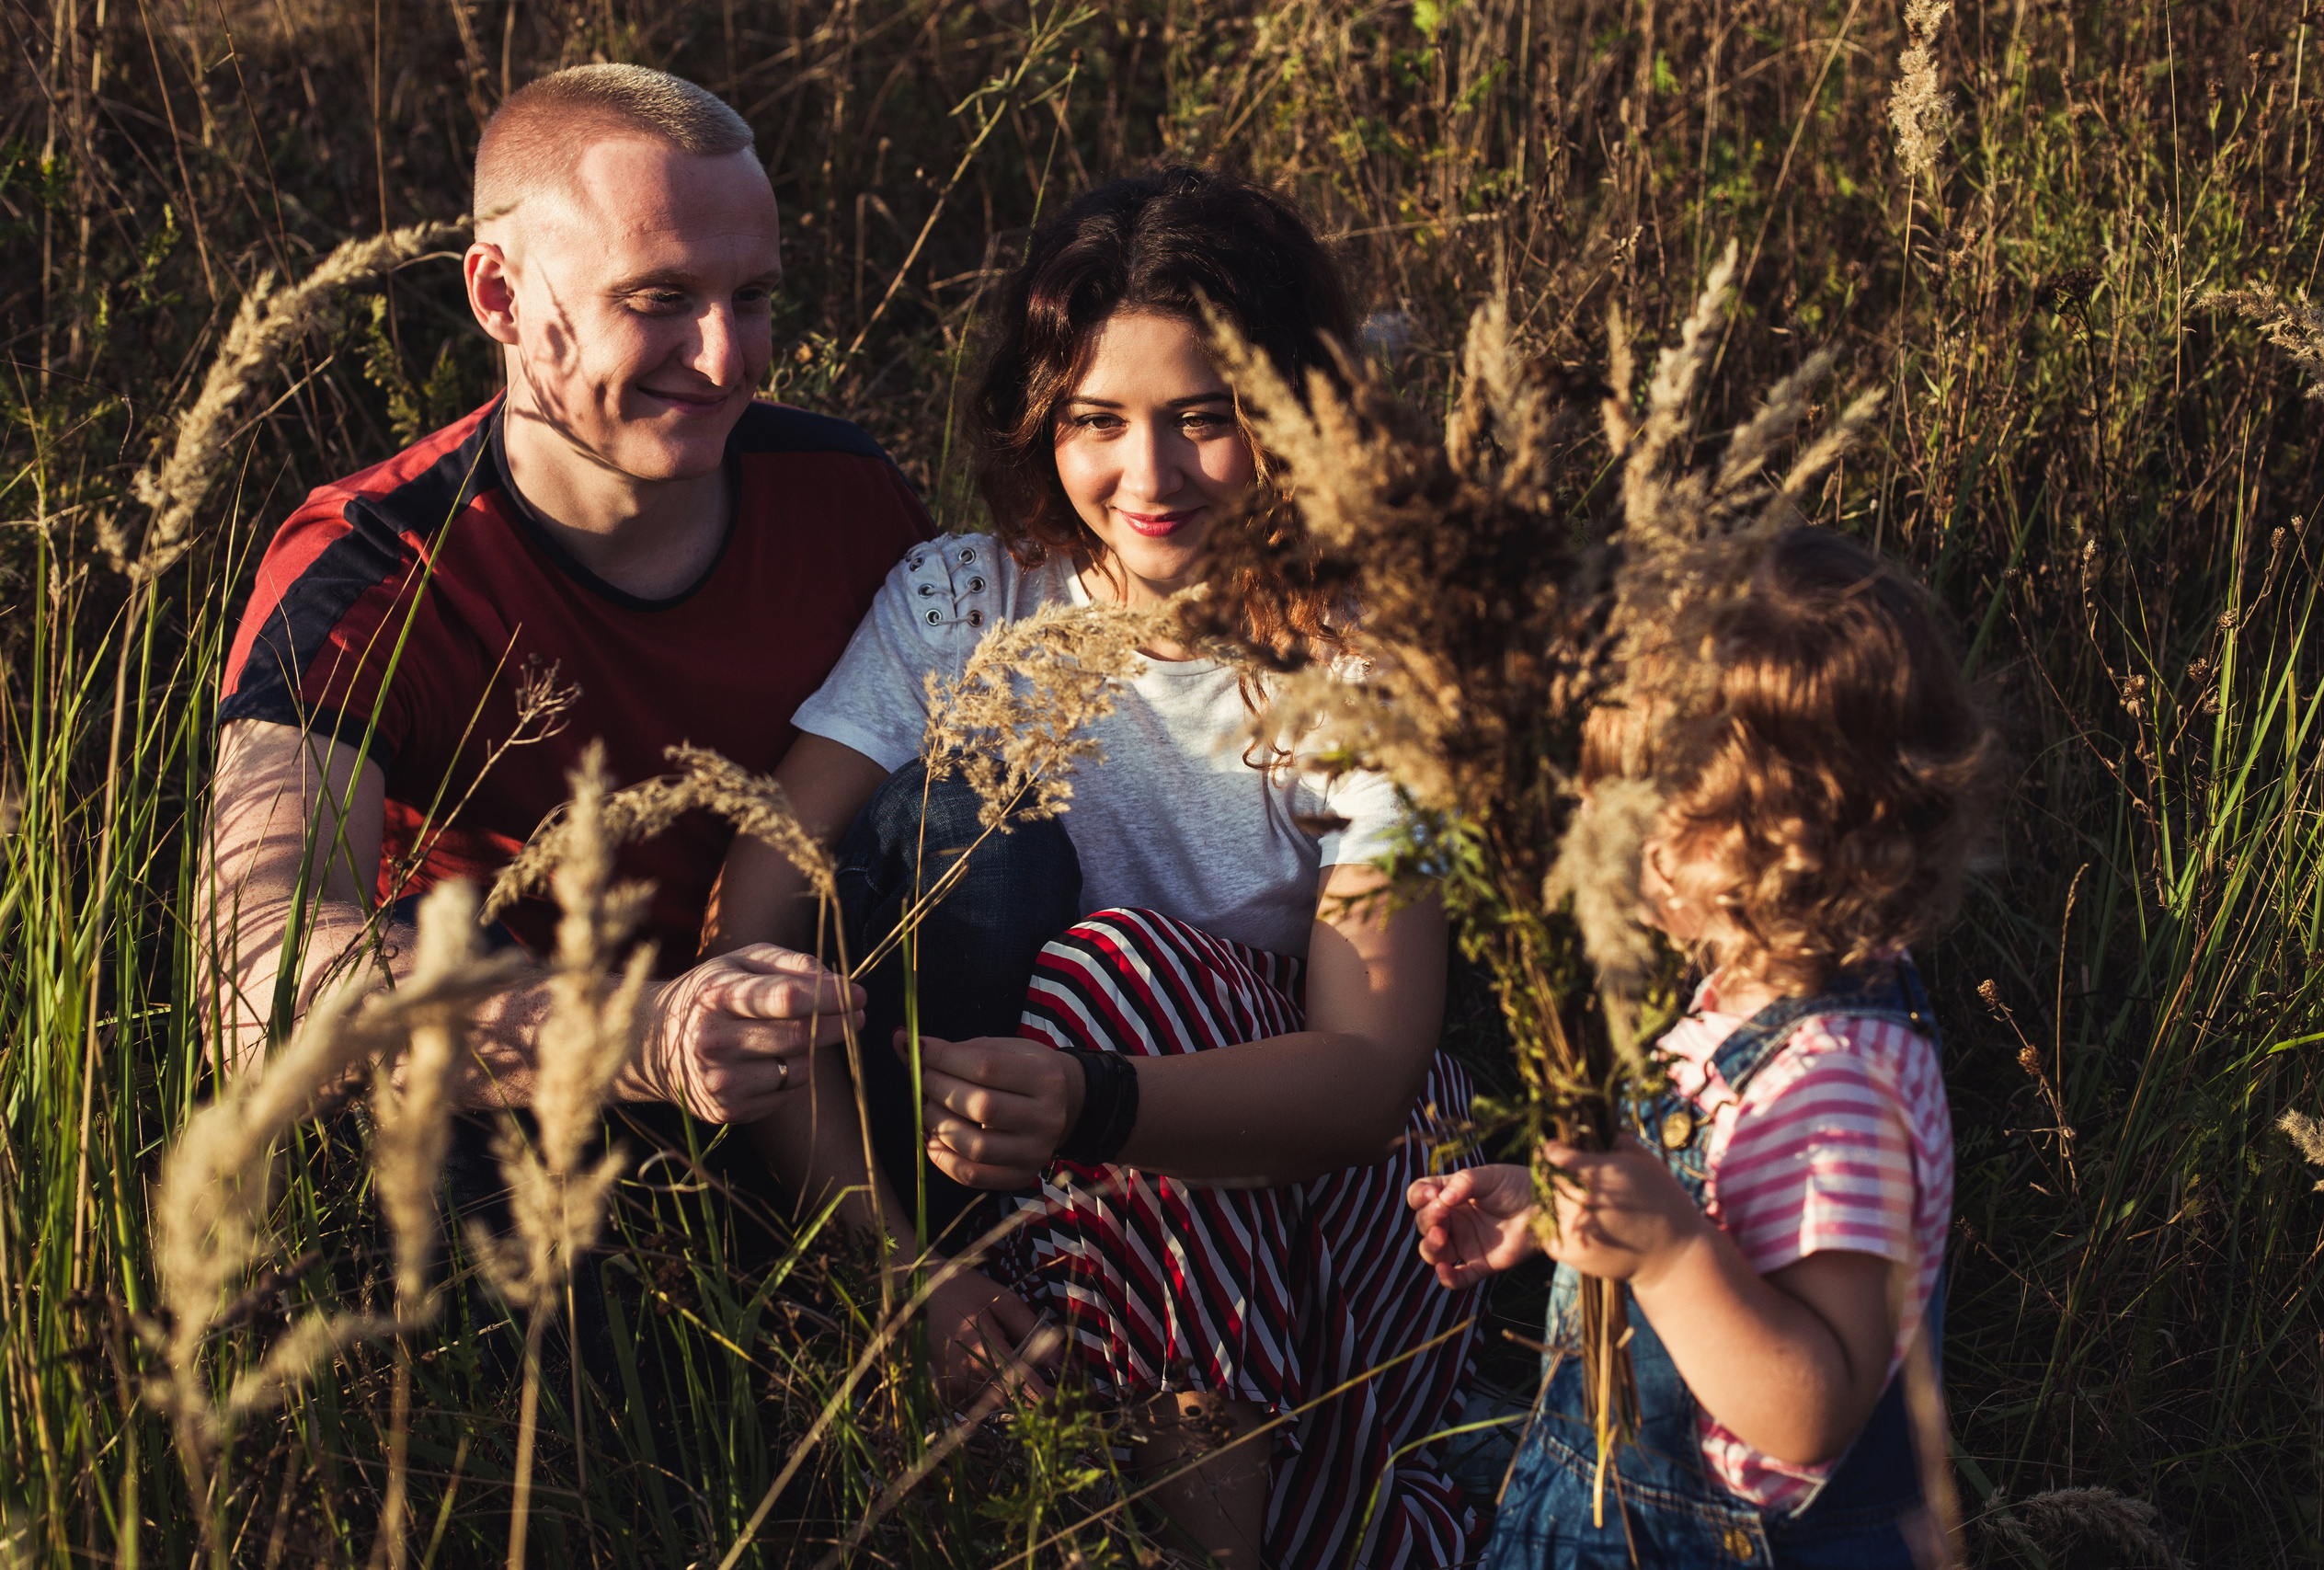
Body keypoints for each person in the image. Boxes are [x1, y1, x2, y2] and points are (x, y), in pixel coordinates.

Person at [708, 166, 1487, 1569]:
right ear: (1040, 418)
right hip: (1015, 1214)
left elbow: (1374, 1067)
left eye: (1207, 420)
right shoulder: (968, 602)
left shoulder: (1376, 664)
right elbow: (752, 931)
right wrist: (904, 1280)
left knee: (1123, 970)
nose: (1150, 477)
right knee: (991, 853)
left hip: (1326, 1190)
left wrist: (1097, 1093)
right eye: (1096, 422)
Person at [207, 65, 928, 1205]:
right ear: (498, 296)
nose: (728, 359)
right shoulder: (377, 562)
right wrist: (641, 1036)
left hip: (828, 1049)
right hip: (543, 1092)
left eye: (752, 298)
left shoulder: (839, 493)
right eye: (659, 300)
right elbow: (254, 967)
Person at [1407, 527, 1998, 1566]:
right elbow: (1738, 1214)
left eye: (1632, 800)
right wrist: (1563, 1215)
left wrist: (1669, 1252)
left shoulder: (1836, 1086)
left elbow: (1811, 1404)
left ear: (1776, 834)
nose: (1592, 817)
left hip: (1713, 1539)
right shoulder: (1758, 998)